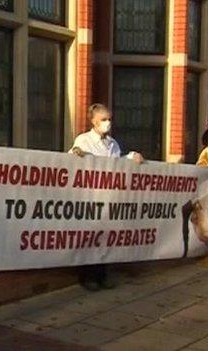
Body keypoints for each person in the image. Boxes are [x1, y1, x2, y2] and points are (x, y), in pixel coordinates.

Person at [69, 103, 143, 291]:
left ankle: (102, 275)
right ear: (93, 121)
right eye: (103, 120)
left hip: (109, 198)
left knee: (105, 237)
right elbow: (72, 158)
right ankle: (88, 277)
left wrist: (133, 156)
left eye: (109, 119)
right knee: (91, 237)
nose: (107, 123)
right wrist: (78, 154)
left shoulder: (113, 143)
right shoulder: (83, 140)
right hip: (90, 197)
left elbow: (117, 163)